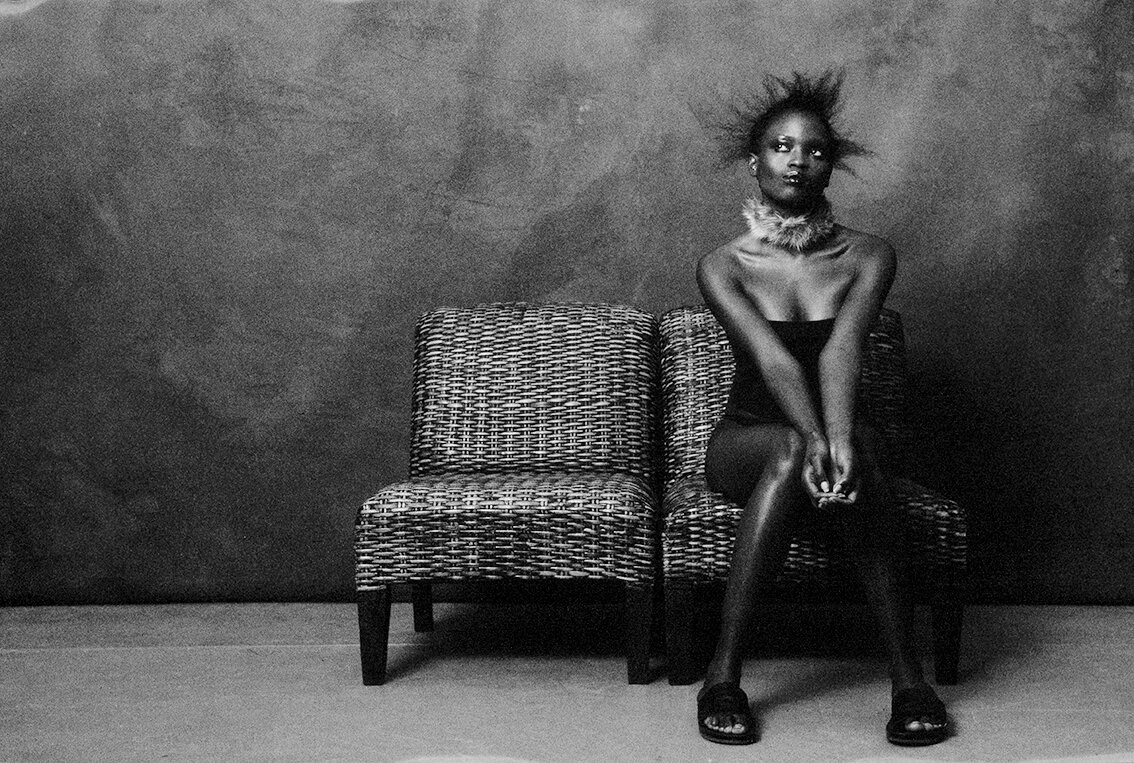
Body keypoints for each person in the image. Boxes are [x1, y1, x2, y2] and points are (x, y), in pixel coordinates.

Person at [692, 71, 950, 746]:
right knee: (788, 446)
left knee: (856, 447)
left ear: (830, 166)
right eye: (781, 146)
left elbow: (842, 350)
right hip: (748, 437)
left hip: (842, 425)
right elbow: (773, 361)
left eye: (813, 149)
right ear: (755, 163)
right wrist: (813, 439)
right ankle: (722, 676)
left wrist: (836, 440)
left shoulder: (869, 254)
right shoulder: (724, 265)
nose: (797, 160)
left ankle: (909, 682)